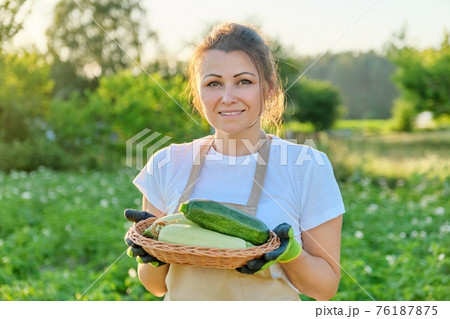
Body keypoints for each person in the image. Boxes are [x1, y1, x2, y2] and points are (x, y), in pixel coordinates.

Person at [125, 22, 345, 301]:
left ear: (268, 89)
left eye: (244, 82)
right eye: (214, 83)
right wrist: (153, 255)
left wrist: (290, 254)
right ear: (198, 93)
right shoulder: (166, 163)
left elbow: (325, 288)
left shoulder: (307, 166)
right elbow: (156, 286)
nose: (228, 98)